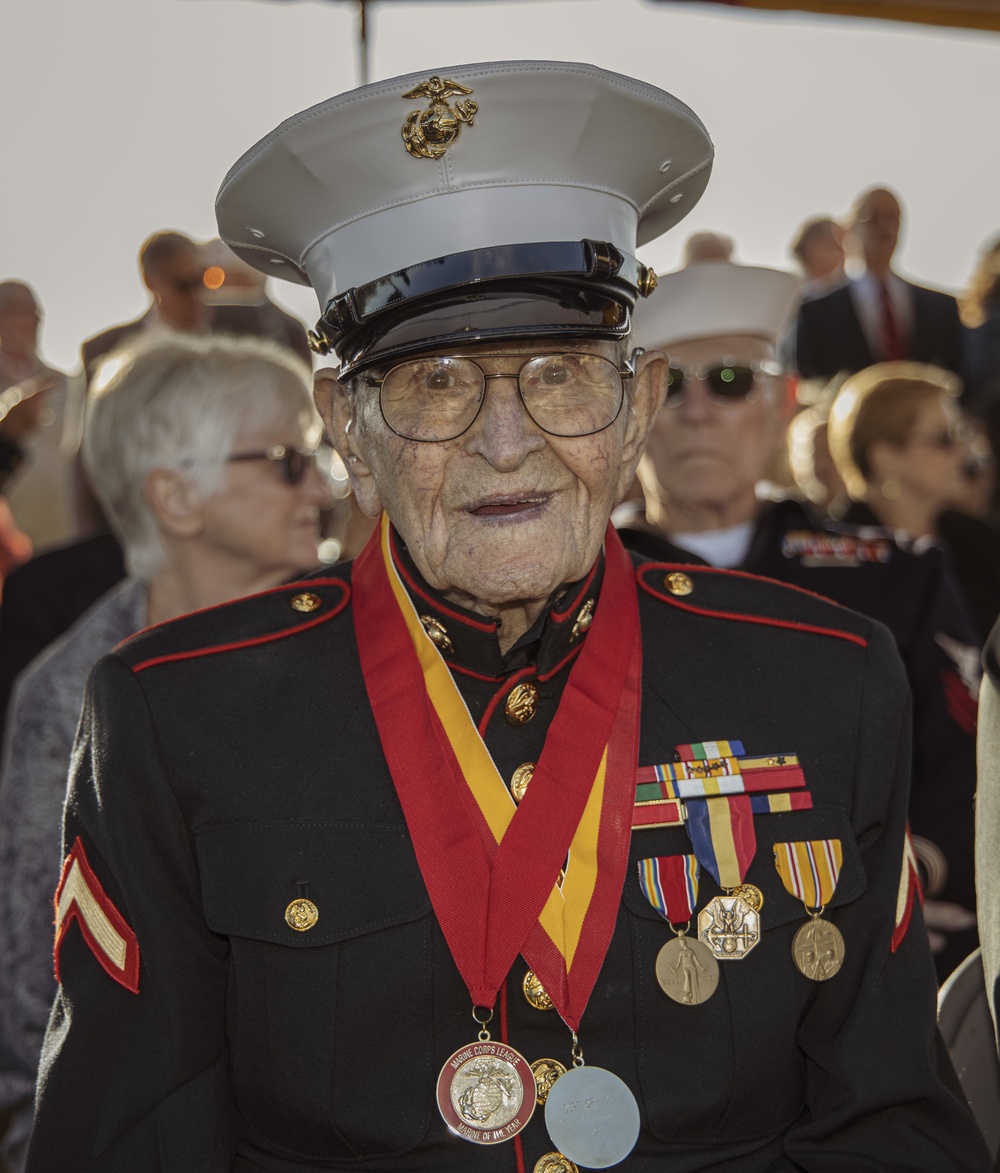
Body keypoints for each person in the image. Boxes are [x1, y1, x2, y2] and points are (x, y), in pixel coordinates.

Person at [26, 62, 990, 1173]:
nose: (505, 440)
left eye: (562, 376)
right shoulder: (178, 716)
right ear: (346, 422)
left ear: (634, 408)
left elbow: (896, 1128)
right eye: (435, 383)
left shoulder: (824, 681)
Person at [0, 331, 327, 1172]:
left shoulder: (373, 647)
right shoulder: (68, 693)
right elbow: (39, 1000)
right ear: (176, 497)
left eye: (320, 454)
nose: (324, 485)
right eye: (290, 460)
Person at [621, 259, 982, 979]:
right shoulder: (575, 587)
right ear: (633, 412)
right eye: (669, 386)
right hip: (649, 958)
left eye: (730, 380)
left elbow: (971, 768)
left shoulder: (893, 573)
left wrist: (902, 872)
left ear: (783, 401)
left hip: (868, 952)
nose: (698, 410)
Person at [828, 361, 1000, 642]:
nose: (965, 452)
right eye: (944, 439)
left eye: (962, 434)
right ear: (885, 459)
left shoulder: (978, 540)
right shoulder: (837, 557)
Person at [796, 187, 966, 383]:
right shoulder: (816, 314)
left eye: (893, 217)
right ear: (847, 231)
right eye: (873, 217)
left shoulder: (941, 309)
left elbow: (961, 383)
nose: (884, 227)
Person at [0, 281, 79, 551]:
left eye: (34, 312)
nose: (29, 321)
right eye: (17, 311)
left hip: (64, 535)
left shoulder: (69, 385)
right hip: (7, 546)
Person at [80, 232, 210, 384]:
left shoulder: (240, 325)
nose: (195, 296)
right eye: (182, 285)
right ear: (150, 283)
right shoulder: (105, 350)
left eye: (200, 280)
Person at [789, 216, 846, 301]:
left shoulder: (848, 290)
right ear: (817, 250)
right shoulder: (789, 295)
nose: (845, 253)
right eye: (838, 247)